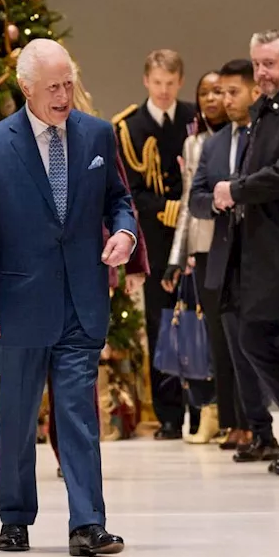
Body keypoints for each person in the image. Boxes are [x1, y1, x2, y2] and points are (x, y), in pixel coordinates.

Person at [0, 38, 136, 557]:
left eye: (68, 84)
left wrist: (124, 234)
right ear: (26, 89)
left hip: (81, 299)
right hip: (18, 304)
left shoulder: (97, 135)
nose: (64, 95)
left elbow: (120, 200)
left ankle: (87, 523)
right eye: (53, 87)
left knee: (78, 414)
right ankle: (15, 517)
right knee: (16, 417)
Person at [212, 31, 279, 475]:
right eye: (257, 64)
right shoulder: (267, 107)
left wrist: (236, 190)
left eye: (269, 64)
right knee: (253, 338)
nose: (262, 73)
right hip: (257, 245)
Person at [190, 59, 277, 461]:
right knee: (236, 348)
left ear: (253, 92)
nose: (222, 100)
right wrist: (222, 200)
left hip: (264, 254)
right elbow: (197, 199)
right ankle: (257, 430)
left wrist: (237, 191)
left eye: (231, 92)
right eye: (219, 92)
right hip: (223, 257)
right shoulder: (213, 143)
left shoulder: (264, 135)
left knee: (273, 348)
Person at [111, 49, 193, 439]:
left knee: (199, 318)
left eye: (170, 83)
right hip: (157, 239)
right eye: (157, 83)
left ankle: (205, 408)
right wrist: (167, 209)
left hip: (196, 235)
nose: (163, 91)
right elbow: (129, 189)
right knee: (162, 324)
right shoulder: (128, 127)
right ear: (146, 81)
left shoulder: (195, 118)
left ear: (180, 82)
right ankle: (170, 415)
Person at [162, 70, 229, 444]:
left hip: (235, 244)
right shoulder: (194, 144)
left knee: (233, 335)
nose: (210, 99)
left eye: (218, 92)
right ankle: (211, 410)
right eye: (204, 93)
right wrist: (178, 255)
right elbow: (189, 202)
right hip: (202, 247)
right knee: (204, 336)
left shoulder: (240, 136)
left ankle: (238, 415)